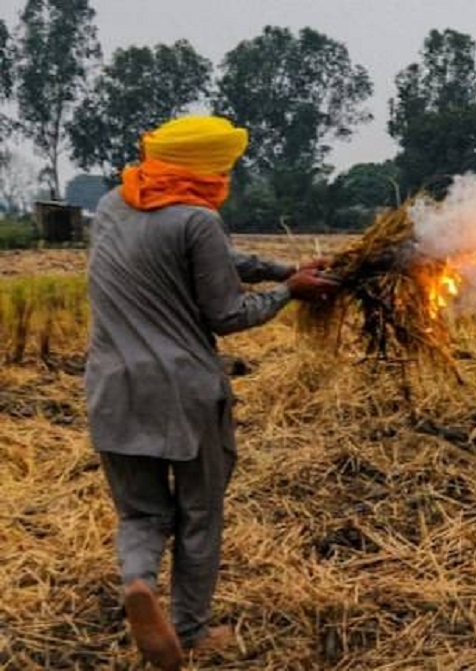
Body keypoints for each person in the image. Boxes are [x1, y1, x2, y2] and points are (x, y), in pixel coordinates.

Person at [85, 116, 339, 670]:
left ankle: (139, 584)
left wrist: (283, 266)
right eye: (223, 166)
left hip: (110, 390)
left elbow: (216, 259)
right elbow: (226, 313)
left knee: (141, 514)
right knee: (200, 513)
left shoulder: (112, 205)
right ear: (203, 167)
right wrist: (288, 291)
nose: (227, 176)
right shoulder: (198, 220)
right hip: (183, 395)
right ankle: (191, 630)